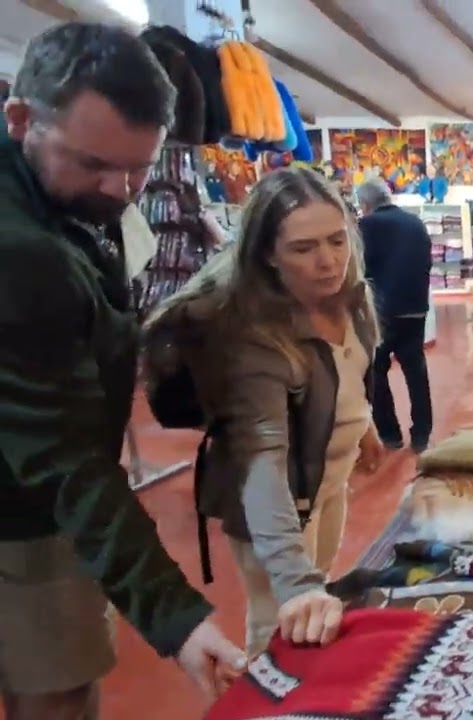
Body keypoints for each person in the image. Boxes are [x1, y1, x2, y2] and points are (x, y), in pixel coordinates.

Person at [0, 21, 243, 718]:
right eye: (95, 165)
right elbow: (66, 460)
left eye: (140, 167)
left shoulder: (61, 202)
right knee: (56, 692)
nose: (121, 189)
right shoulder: (19, 251)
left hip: (36, 494)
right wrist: (179, 621)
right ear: (22, 120)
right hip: (24, 515)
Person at [144, 167, 385, 656]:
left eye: (337, 240)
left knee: (319, 605)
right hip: (280, 504)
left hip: (328, 485)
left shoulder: (348, 297)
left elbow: (346, 373)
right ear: (267, 255)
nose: (328, 261)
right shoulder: (255, 340)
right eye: (304, 248)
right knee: (278, 625)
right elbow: (262, 465)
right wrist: (296, 584)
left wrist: (364, 426)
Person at [356, 177, 434, 453]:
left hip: (381, 311)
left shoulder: (364, 227)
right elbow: (427, 260)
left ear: (365, 204)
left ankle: (390, 434)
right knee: (415, 369)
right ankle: (422, 435)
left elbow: (358, 269)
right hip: (415, 307)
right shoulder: (415, 223)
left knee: (376, 371)